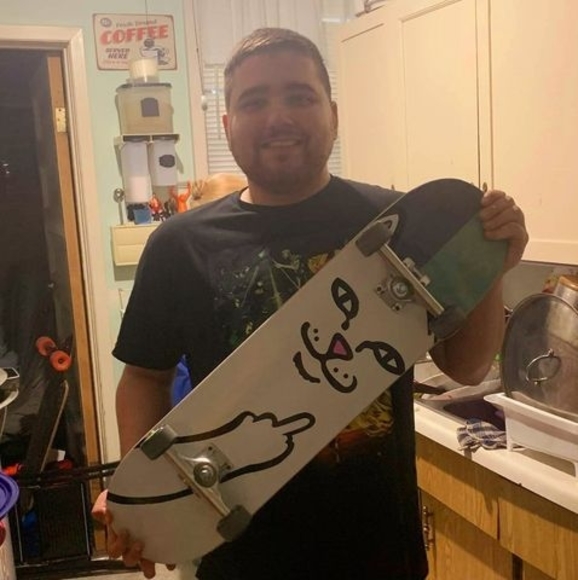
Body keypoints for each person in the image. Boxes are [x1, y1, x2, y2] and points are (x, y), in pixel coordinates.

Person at [92, 27, 529, 580]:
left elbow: (464, 366)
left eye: (299, 96)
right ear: (227, 124)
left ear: (333, 115)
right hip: (239, 561)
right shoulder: (178, 246)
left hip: (379, 559)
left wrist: (489, 266)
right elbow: (143, 376)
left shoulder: (399, 223)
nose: (278, 117)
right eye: (254, 101)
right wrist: (145, 496)